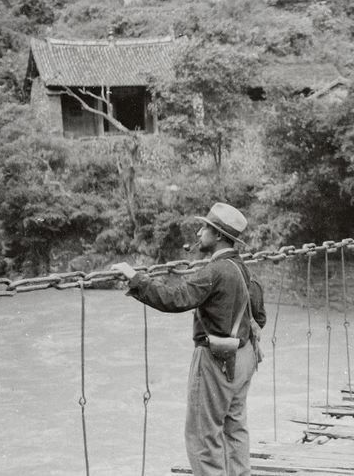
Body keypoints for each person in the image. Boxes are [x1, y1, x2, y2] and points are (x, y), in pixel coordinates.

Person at [112, 202, 266, 476]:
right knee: (235, 428)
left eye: (204, 228)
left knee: (202, 437)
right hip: (244, 359)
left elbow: (175, 298)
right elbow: (260, 318)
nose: (198, 233)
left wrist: (136, 279)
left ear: (218, 235)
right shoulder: (245, 270)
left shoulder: (215, 272)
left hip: (216, 362)